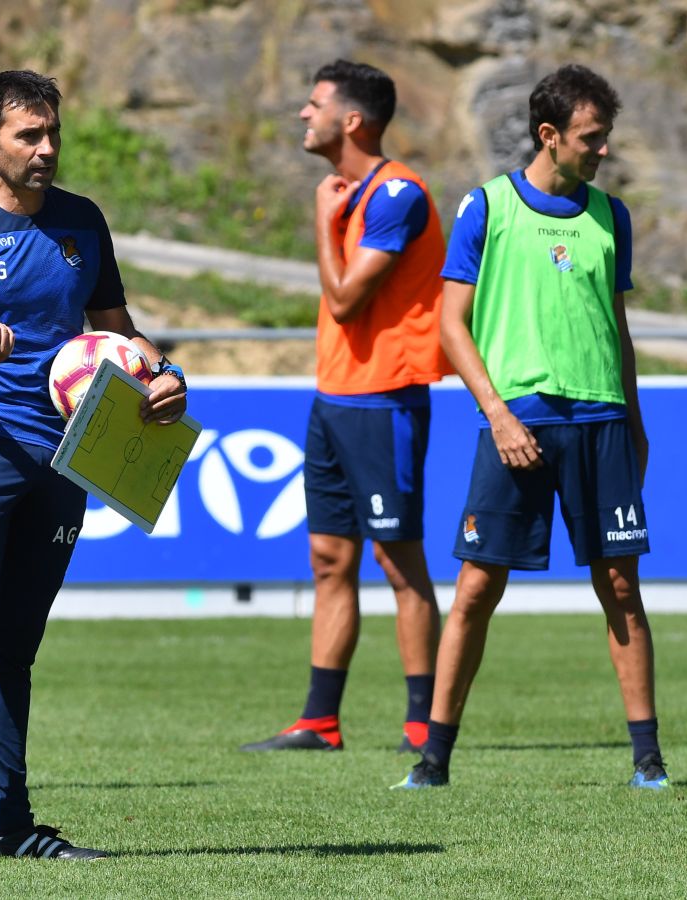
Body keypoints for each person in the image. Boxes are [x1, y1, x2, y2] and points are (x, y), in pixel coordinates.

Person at [0, 70, 187, 862]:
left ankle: (7, 828)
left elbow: (119, 332)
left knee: (13, 644)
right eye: (28, 135)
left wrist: (163, 376)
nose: (46, 148)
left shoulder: (83, 221)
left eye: (52, 133)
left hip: (65, 452)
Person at [394, 64, 668, 790]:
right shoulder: (486, 208)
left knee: (620, 585)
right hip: (517, 423)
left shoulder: (613, 217)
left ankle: (648, 760)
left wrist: (634, 423)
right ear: (549, 136)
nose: (603, 150)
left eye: (605, 135)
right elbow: (451, 325)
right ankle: (433, 761)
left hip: (601, 422)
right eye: (591, 137)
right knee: (478, 588)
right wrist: (499, 414)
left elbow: (617, 328)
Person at [241, 60, 447, 757]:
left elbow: (345, 298)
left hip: (385, 398)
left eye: (314, 103)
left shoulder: (394, 196)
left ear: (351, 121)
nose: (304, 114)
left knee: (398, 561)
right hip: (333, 400)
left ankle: (424, 722)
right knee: (330, 558)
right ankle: (319, 721)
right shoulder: (353, 192)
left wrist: (325, 225)